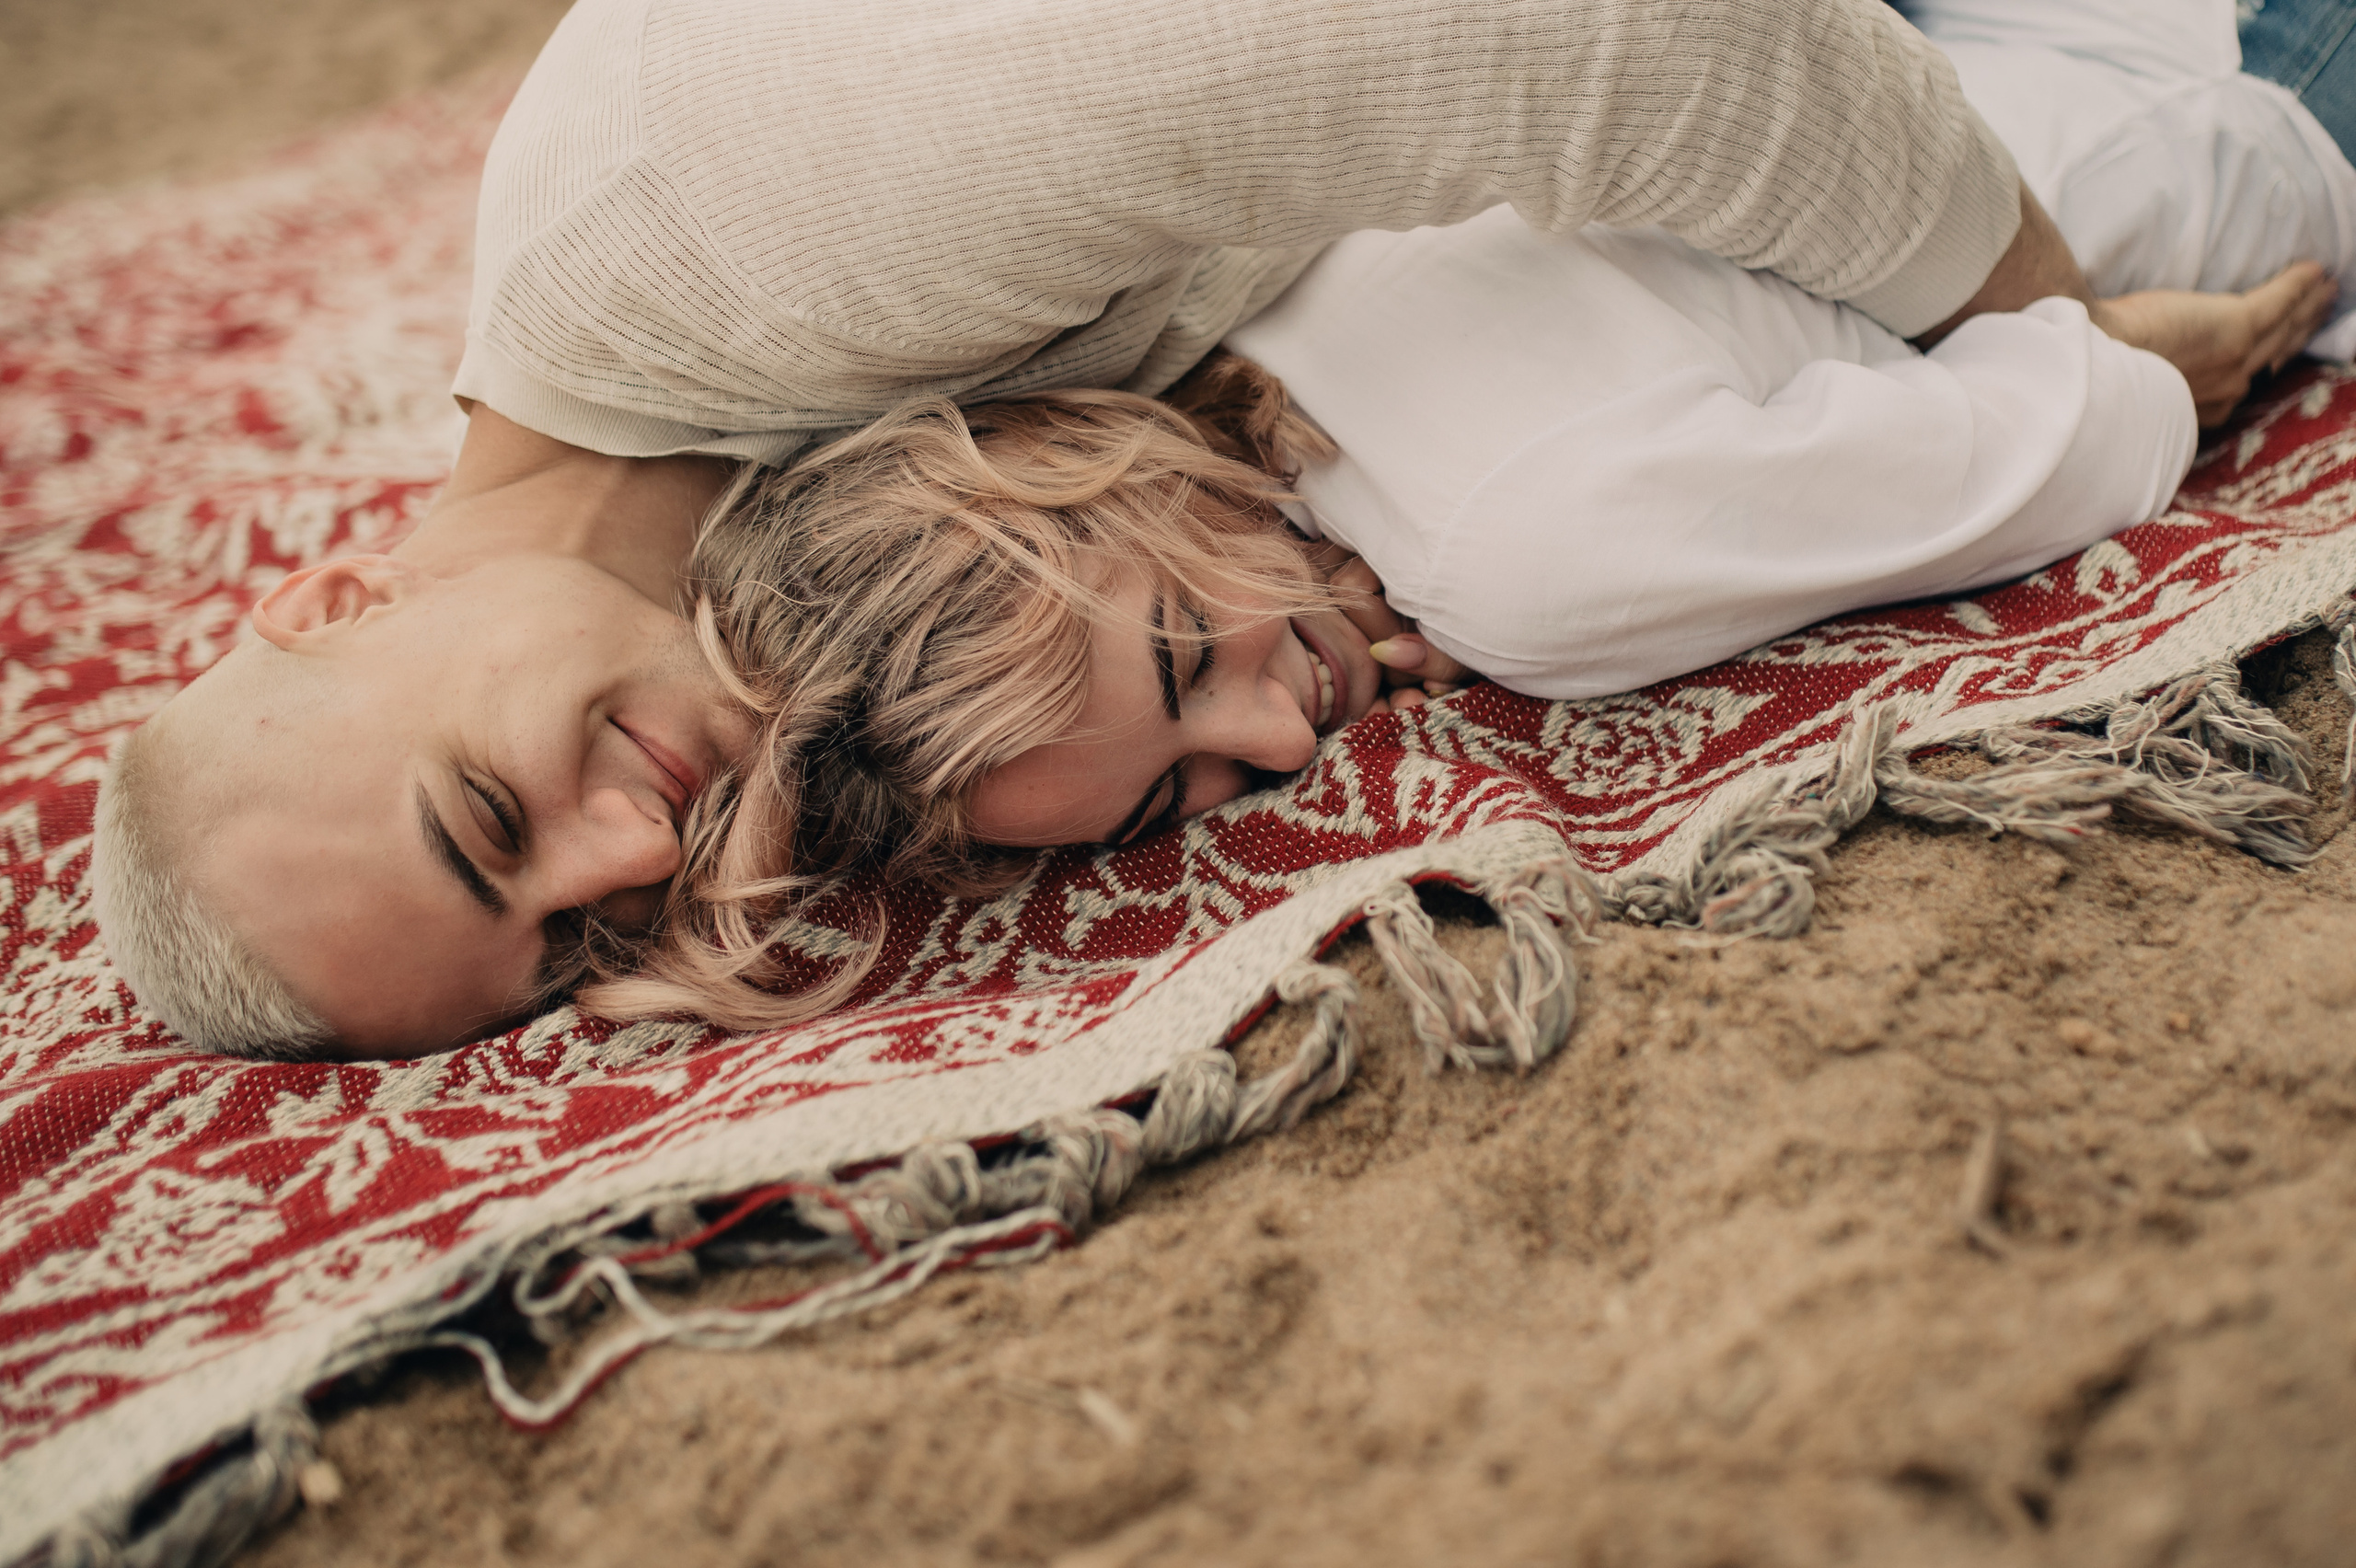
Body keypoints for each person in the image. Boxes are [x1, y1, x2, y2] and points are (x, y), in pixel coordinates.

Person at [88, 0, 2321, 1061]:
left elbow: (1569, 24)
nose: (617, 865)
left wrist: (2050, 325)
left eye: (491, 819)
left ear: (326, 593)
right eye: (568, 945)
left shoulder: (738, 235)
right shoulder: (782, 538)